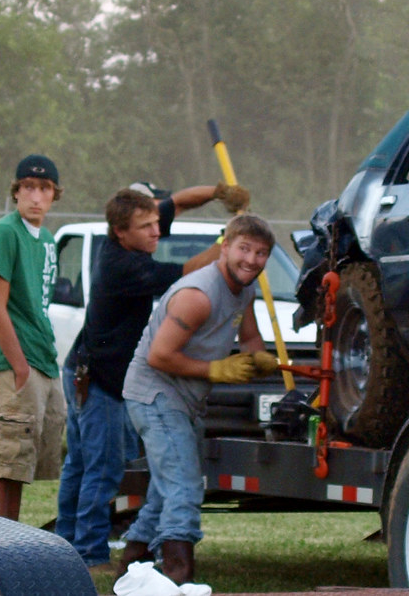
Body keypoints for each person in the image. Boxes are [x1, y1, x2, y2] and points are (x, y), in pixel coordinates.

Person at [55, 181, 250, 571]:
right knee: (101, 468)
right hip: (100, 382)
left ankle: (64, 545)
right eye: (146, 227)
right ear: (120, 232)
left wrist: (216, 192)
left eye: (154, 222)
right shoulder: (122, 266)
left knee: (80, 465)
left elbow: (176, 202)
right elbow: (192, 269)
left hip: (85, 367)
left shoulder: (138, 230)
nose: (156, 231)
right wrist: (231, 240)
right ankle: (88, 554)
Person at [119, 213, 281, 584]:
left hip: (186, 399)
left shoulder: (246, 289)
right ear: (225, 247)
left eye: (261, 253)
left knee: (164, 491)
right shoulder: (197, 295)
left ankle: (127, 574)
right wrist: (216, 370)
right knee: (184, 486)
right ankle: (178, 578)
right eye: (244, 249)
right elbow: (159, 356)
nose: (252, 260)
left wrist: (259, 356)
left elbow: (250, 338)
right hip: (154, 392)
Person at [0, 154, 65, 521]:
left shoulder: (46, 239)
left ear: (54, 195)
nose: (36, 196)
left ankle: (7, 548)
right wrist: (19, 365)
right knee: (3, 462)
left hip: (42, 360)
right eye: (28, 187)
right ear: (16, 192)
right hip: (15, 364)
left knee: (21, 466)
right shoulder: (4, 233)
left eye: (44, 188)